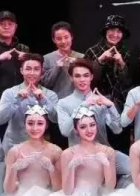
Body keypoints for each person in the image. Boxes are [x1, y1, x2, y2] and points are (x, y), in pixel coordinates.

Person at [56, 59, 131, 187]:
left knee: (134, 170)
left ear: (91, 77)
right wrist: (83, 105)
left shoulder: (101, 100)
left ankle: (115, 189)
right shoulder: (63, 103)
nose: (82, 80)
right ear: (71, 78)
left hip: (105, 153)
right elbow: (65, 131)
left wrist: (111, 106)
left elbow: (117, 129)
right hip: (80, 157)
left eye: (86, 75)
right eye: (77, 76)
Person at [0, 53, 58, 153]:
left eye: (36, 69)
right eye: (28, 69)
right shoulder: (10, 92)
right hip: (13, 146)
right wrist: (17, 99)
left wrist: (43, 100)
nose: (32, 73)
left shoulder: (50, 94)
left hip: (40, 147)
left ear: (42, 71)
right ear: (21, 70)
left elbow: (55, 119)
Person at [59, 108, 117, 196]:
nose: (89, 130)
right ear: (75, 130)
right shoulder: (67, 154)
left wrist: (106, 164)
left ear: (97, 126)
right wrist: (72, 168)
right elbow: (67, 192)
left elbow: (110, 188)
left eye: (92, 125)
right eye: (83, 127)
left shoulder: (108, 151)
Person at [84, 15, 132, 110]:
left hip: (121, 101)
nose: (115, 34)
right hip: (96, 100)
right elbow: (86, 79)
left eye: (119, 31)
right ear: (105, 31)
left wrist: (122, 63)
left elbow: (128, 81)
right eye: (112, 30)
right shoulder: (92, 51)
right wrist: (100, 60)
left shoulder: (127, 53)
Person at [41, 21, 85, 100]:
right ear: (53, 40)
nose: (63, 41)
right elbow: (44, 84)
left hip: (79, 101)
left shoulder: (81, 57)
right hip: (55, 101)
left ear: (71, 37)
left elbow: (89, 81)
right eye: (59, 38)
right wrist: (56, 67)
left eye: (66, 37)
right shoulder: (47, 58)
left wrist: (78, 63)